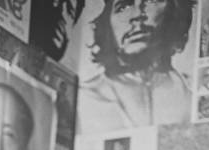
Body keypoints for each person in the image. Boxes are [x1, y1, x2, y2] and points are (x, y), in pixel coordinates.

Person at [78, 0, 197, 133]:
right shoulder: (84, 97)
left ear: (175, 12)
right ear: (107, 25)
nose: (137, 15)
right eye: (124, 6)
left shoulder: (194, 93)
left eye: (151, 1)